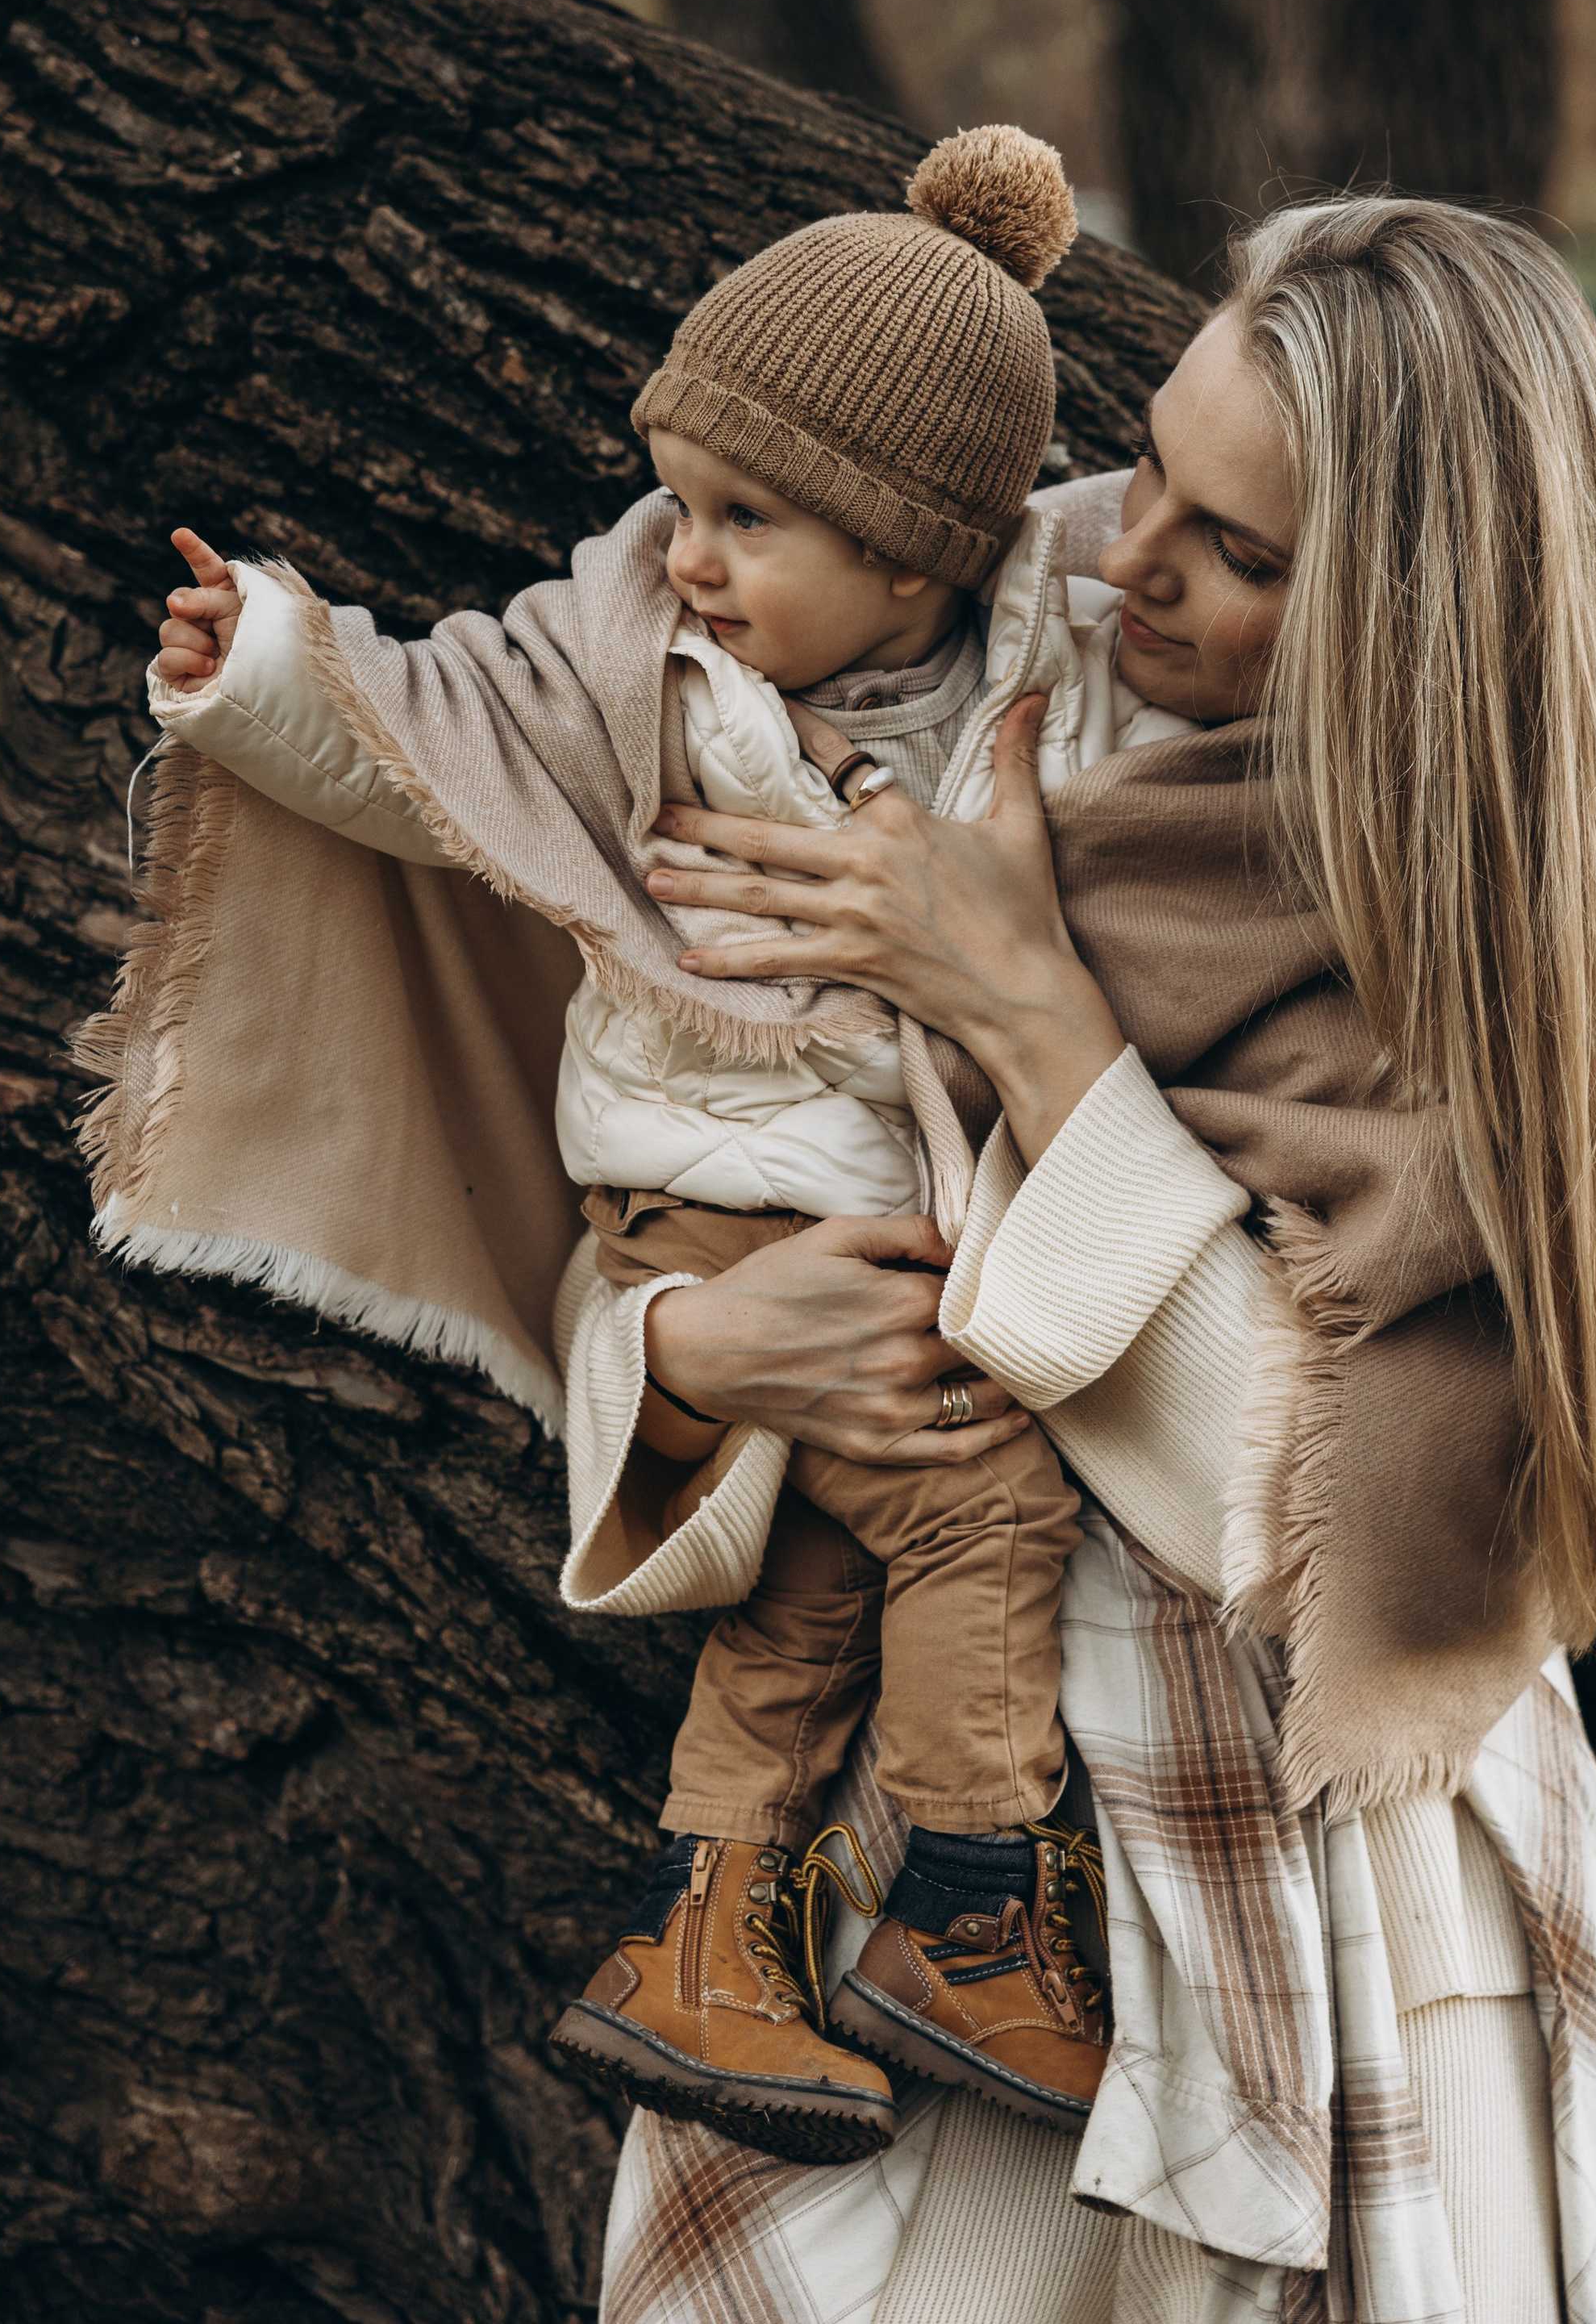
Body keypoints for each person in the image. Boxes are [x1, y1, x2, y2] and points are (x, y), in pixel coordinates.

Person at [79, 183, 1596, 2323]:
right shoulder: (986, 661)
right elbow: (713, 1128)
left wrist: (1032, 1013)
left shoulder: (1475, 960)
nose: (1118, 555)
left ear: (1409, 628)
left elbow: (1278, 1510)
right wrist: (702, 1350)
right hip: (915, 1887)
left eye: (1237, 551)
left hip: (1338, 1898)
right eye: (1146, 467)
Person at [106, 126, 1190, 2167]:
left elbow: (1096, 538)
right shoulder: (652, 667)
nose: (680, 551)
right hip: (734, 1195)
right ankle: (966, 1914)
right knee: (978, 1516)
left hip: (839, 1211)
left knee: (794, 1603)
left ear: (909, 559)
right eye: (679, 497)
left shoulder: (999, 672)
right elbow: (431, 724)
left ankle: (704, 1953)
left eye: (744, 517)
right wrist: (258, 666)